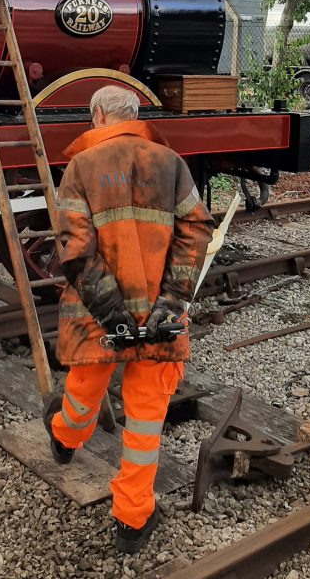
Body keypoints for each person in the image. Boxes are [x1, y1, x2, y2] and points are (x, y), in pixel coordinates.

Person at [44, 85, 213, 554]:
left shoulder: (81, 166)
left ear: (98, 115)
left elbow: (75, 250)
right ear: (135, 116)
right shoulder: (170, 163)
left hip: (100, 317)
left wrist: (110, 314)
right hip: (161, 316)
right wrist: (172, 298)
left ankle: (64, 438)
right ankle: (132, 520)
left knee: (83, 389)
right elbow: (196, 227)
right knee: (145, 417)